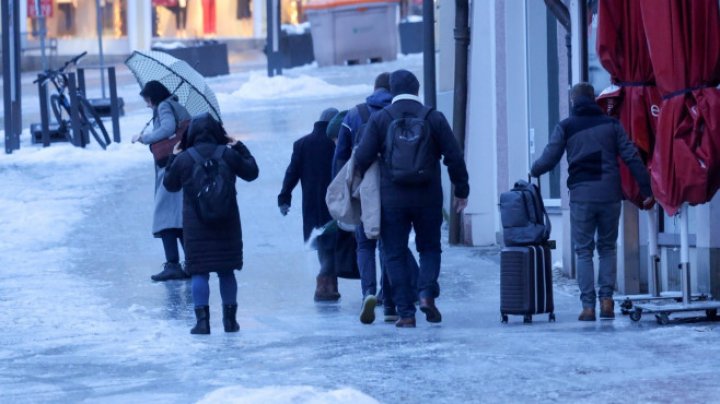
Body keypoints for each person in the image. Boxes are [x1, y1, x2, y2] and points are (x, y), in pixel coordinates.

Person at [354, 70, 470, 328]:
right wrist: (461, 190)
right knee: (429, 248)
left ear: (392, 91)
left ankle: (406, 313)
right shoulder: (433, 117)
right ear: (417, 90)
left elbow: (361, 158)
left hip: (392, 199)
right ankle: (427, 294)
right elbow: (454, 156)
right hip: (428, 196)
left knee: (393, 253)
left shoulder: (381, 119)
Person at [530, 82, 654, 322]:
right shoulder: (612, 125)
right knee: (607, 247)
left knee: (583, 251)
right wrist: (646, 189)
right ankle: (606, 302)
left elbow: (549, 158)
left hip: (582, 196)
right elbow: (631, 156)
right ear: (594, 99)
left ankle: (588, 307)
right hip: (609, 195)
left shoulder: (566, 126)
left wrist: (534, 170)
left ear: (573, 102)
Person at [333, 72, 419, 325]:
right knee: (391, 246)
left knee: (364, 244)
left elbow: (340, 156)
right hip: (396, 188)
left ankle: (367, 293)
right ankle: (389, 298)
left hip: (364, 189)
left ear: (374, 88)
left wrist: (342, 191)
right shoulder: (402, 113)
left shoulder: (354, 114)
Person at [163, 113, 259, 334]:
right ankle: (230, 321)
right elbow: (252, 172)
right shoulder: (227, 154)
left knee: (200, 273)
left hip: (197, 226)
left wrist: (172, 157)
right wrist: (240, 147)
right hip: (228, 223)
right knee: (227, 271)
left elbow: (170, 185)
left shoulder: (184, 159)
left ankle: (202, 322)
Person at [278, 108, 341, 302]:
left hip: (313, 203)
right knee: (333, 243)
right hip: (337, 201)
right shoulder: (338, 142)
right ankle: (324, 285)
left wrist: (284, 198)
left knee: (323, 243)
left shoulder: (303, 144)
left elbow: (292, 173)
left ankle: (329, 283)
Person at [132, 80, 191, 282]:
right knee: (178, 216)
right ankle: (190, 262)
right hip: (178, 164)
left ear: (154, 97)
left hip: (170, 166)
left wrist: (145, 138)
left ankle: (173, 264)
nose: (148, 105)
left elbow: (167, 128)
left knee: (164, 214)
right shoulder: (173, 105)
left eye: (148, 100)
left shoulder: (165, 106)